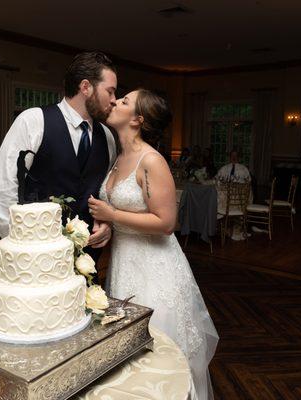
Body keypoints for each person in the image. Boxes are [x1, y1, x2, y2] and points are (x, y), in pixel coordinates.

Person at [87, 89, 219, 400]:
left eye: (125, 101)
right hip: (123, 262)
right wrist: (107, 227)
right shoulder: (118, 157)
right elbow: (125, 212)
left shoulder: (152, 160)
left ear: (137, 119)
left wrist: (112, 214)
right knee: (129, 358)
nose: (116, 101)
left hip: (155, 268)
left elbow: (166, 222)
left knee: (157, 353)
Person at [0, 51, 118, 261]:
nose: (114, 100)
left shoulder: (108, 137)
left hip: (89, 255)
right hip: (36, 253)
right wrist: (20, 246)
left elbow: (104, 193)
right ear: (86, 87)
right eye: (110, 91)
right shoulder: (33, 121)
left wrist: (107, 224)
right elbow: (3, 190)